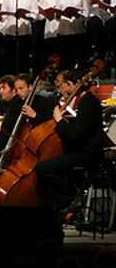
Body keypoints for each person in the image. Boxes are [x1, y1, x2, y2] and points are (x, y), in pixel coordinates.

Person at [37, 69, 105, 211]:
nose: (63, 88)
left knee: (43, 169)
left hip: (87, 154)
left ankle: (69, 197)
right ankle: (59, 205)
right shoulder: (81, 100)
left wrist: (60, 120)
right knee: (45, 165)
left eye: (65, 85)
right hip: (76, 150)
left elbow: (75, 136)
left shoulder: (88, 102)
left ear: (72, 84)